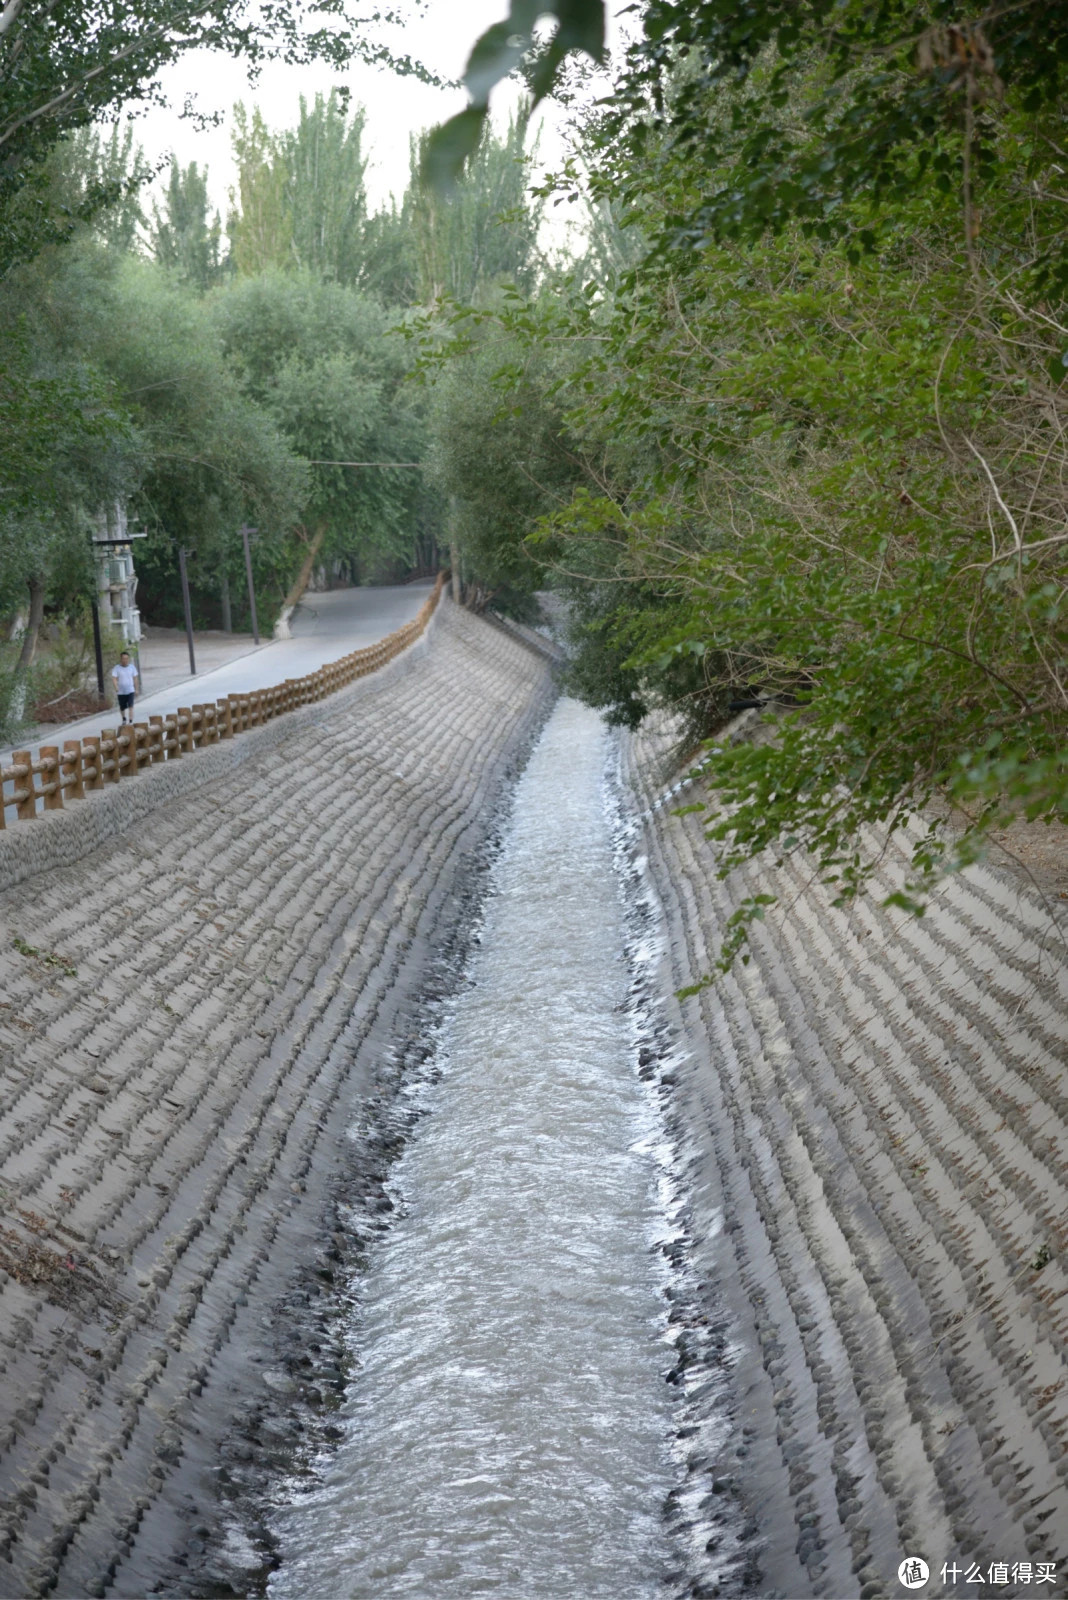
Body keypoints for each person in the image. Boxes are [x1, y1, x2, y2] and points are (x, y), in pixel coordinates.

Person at [111, 650, 140, 725]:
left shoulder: (132, 667)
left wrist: (136, 689)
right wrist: (116, 687)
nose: (125, 660)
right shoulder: (117, 668)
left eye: (127, 658)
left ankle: (130, 721)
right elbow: (114, 678)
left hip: (130, 690)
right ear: (121, 659)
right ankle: (124, 718)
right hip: (121, 691)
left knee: (131, 706)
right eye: (124, 658)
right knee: (122, 707)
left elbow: (135, 678)